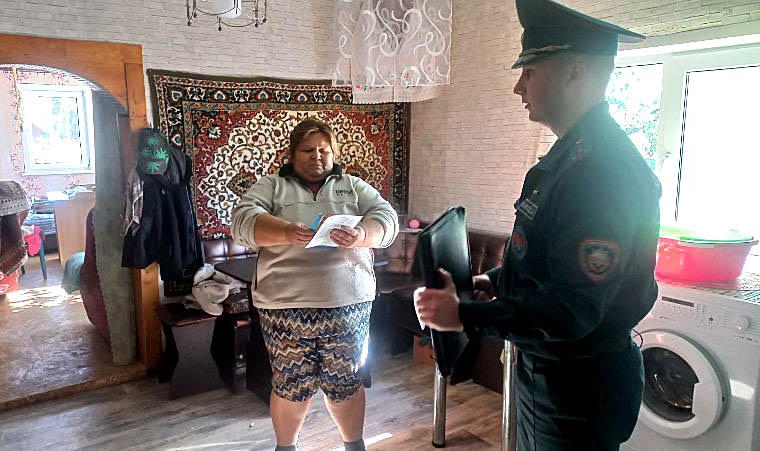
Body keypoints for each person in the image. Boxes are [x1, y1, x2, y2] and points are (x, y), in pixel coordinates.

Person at [413, 0, 662, 449]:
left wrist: (464, 315)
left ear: (575, 73)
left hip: (579, 384)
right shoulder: (568, 159)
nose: (518, 87)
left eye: (529, 71)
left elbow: (571, 309)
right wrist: (492, 281)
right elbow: (544, 260)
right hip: (549, 369)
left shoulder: (600, 171)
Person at [231, 118, 399, 451]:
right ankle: (286, 448)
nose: (317, 157)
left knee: (346, 383)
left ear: (334, 153)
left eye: (324, 150)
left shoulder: (352, 186)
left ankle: (354, 446)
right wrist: (285, 232)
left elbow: (387, 219)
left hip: (348, 306)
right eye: (307, 150)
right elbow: (242, 222)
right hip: (284, 308)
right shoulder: (272, 186)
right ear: (292, 154)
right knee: (291, 385)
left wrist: (361, 235)